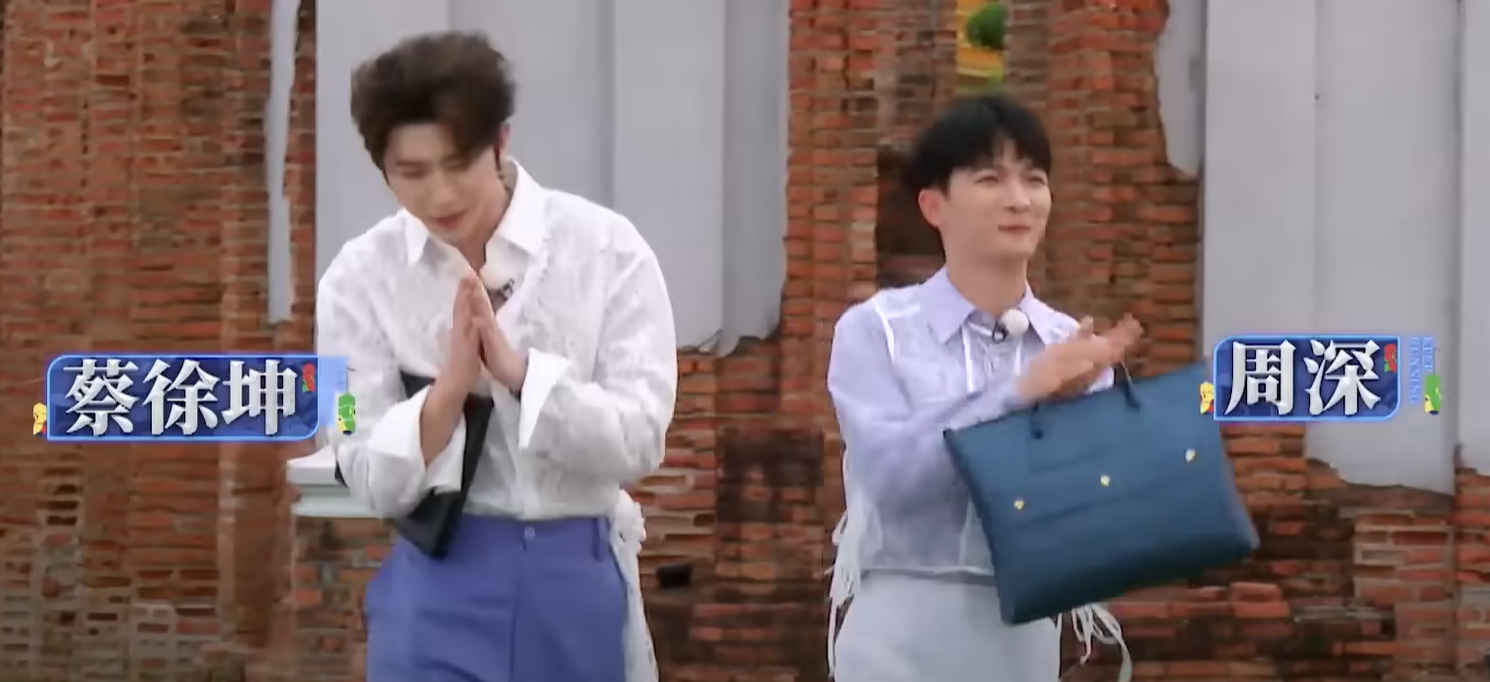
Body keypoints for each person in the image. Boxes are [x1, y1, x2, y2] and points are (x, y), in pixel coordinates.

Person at [316, 31, 676, 682]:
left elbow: (641, 437)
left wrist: (521, 376)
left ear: (500, 142)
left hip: (574, 581)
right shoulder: (355, 281)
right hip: (435, 582)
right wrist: (447, 393)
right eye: (411, 173)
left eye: (457, 165)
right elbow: (352, 448)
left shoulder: (606, 251)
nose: (439, 196)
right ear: (382, 167)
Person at [826, 94, 1141, 681]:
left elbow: (1088, 515)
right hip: (900, 628)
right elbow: (892, 479)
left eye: (1034, 179)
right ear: (933, 204)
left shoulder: (1071, 347)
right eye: (991, 179)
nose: (1019, 199)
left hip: (1022, 632)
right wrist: (1019, 393)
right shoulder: (876, 330)